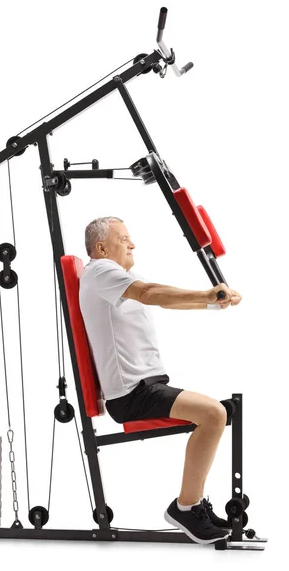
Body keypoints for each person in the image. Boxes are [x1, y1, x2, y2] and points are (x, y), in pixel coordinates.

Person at [79, 216, 242, 545]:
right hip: (132, 394)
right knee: (214, 414)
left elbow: (161, 297)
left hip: (146, 388)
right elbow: (152, 293)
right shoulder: (100, 271)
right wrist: (207, 293)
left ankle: (193, 504)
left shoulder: (120, 278)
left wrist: (212, 301)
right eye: (124, 239)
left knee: (218, 412)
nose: (132, 244)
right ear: (101, 248)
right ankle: (185, 507)